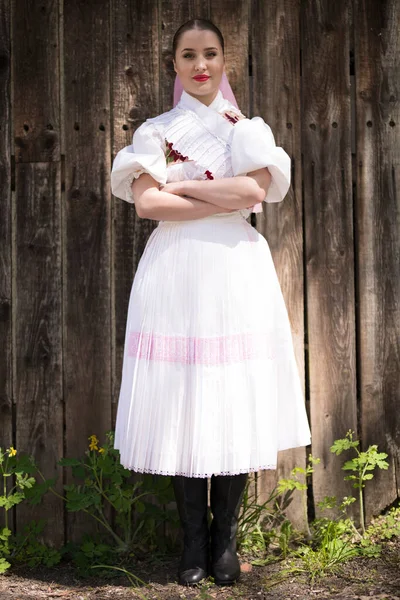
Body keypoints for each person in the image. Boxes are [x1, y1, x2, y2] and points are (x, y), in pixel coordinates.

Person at [110, 18, 311, 587]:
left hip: (232, 269)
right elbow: (148, 205)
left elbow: (253, 192)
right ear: (173, 64)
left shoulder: (245, 130)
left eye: (211, 54)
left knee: (229, 395)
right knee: (183, 398)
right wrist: (213, 197)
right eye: (188, 55)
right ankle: (193, 547)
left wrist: (185, 187)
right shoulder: (155, 131)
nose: (201, 64)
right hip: (176, 269)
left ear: (225, 61)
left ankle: (225, 546)